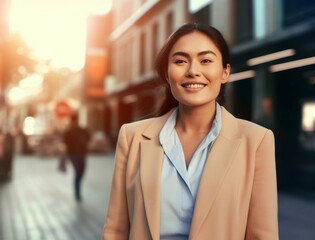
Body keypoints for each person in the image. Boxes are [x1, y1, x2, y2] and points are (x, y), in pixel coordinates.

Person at [102, 23, 278, 240]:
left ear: (225, 72)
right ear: (167, 74)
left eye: (206, 60)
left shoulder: (256, 140)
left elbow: (263, 235)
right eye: (180, 61)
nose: (193, 71)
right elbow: (116, 230)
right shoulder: (132, 137)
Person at [63, 113, 90, 201]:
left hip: (75, 154)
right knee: (79, 172)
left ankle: (77, 191)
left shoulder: (69, 131)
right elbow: (89, 138)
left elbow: (65, 141)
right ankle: (77, 193)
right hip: (79, 154)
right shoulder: (81, 130)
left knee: (78, 173)